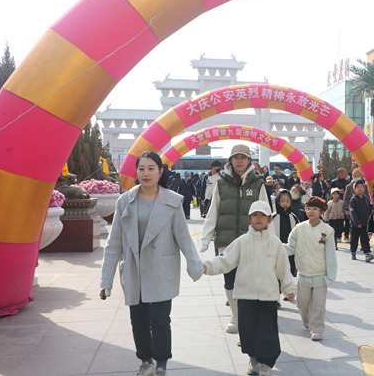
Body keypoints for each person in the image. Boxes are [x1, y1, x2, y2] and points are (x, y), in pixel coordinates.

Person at [99, 151, 203, 376]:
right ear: (136, 172)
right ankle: (146, 361)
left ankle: (162, 363)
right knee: (138, 320)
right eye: (142, 169)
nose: (146, 173)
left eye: (151, 168)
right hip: (134, 268)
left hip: (161, 268)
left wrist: (195, 264)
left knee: (160, 319)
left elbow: (184, 237)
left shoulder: (172, 201)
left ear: (160, 172)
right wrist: (105, 281)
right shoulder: (125, 201)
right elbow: (114, 242)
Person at [202, 200, 296, 376]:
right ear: (249, 219)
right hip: (245, 296)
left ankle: (265, 364)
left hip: (268, 297)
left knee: (267, 332)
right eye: (255, 215)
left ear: (269, 219)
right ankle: (253, 359)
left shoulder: (275, 243)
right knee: (248, 331)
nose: (258, 218)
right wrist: (207, 266)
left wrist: (289, 289)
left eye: (263, 215)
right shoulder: (242, 242)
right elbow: (226, 260)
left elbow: (284, 269)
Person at [199, 143, 268, 335]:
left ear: (249, 160)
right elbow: (213, 211)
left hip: (251, 240)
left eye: (243, 157)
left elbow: (267, 212)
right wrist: (206, 238)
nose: (239, 161)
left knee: (249, 281)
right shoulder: (221, 183)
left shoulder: (258, 183)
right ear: (230, 160)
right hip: (226, 240)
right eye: (236, 157)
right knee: (229, 280)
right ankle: (235, 316)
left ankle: (247, 316)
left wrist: (271, 239)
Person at [284, 196, 338, 341]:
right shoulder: (299, 228)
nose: (311, 211)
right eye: (308, 208)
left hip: (320, 274)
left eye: (315, 209)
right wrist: (276, 248)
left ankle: (317, 328)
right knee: (302, 303)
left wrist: (330, 276)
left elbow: (331, 255)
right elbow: (290, 247)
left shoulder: (327, 231)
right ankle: (308, 322)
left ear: (321, 212)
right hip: (303, 274)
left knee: (318, 304)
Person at [272, 189, 300, 277]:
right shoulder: (272, 217)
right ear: (278, 201)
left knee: (289, 271)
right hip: (276, 250)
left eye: (287, 201)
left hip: (290, 250)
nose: (285, 203)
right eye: (282, 201)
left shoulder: (293, 217)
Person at [348, 180, 373, 261]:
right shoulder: (353, 199)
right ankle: (353, 252)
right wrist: (357, 222)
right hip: (355, 224)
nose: (360, 188)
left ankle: (367, 253)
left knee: (365, 239)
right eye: (358, 187)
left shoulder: (366, 198)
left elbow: (370, 208)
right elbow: (352, 212)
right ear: (354, 189)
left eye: (361, 186)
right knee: (354, 239)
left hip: (365, 223)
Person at [343, 169, 367, 239]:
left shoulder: (365, 186)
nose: (357, 177)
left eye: (359, 175)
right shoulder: (349, 186)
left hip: (363, 210)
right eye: (355, 176)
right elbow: (346, 199)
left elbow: (367, 197)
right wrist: (347, 209)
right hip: (352, 209)